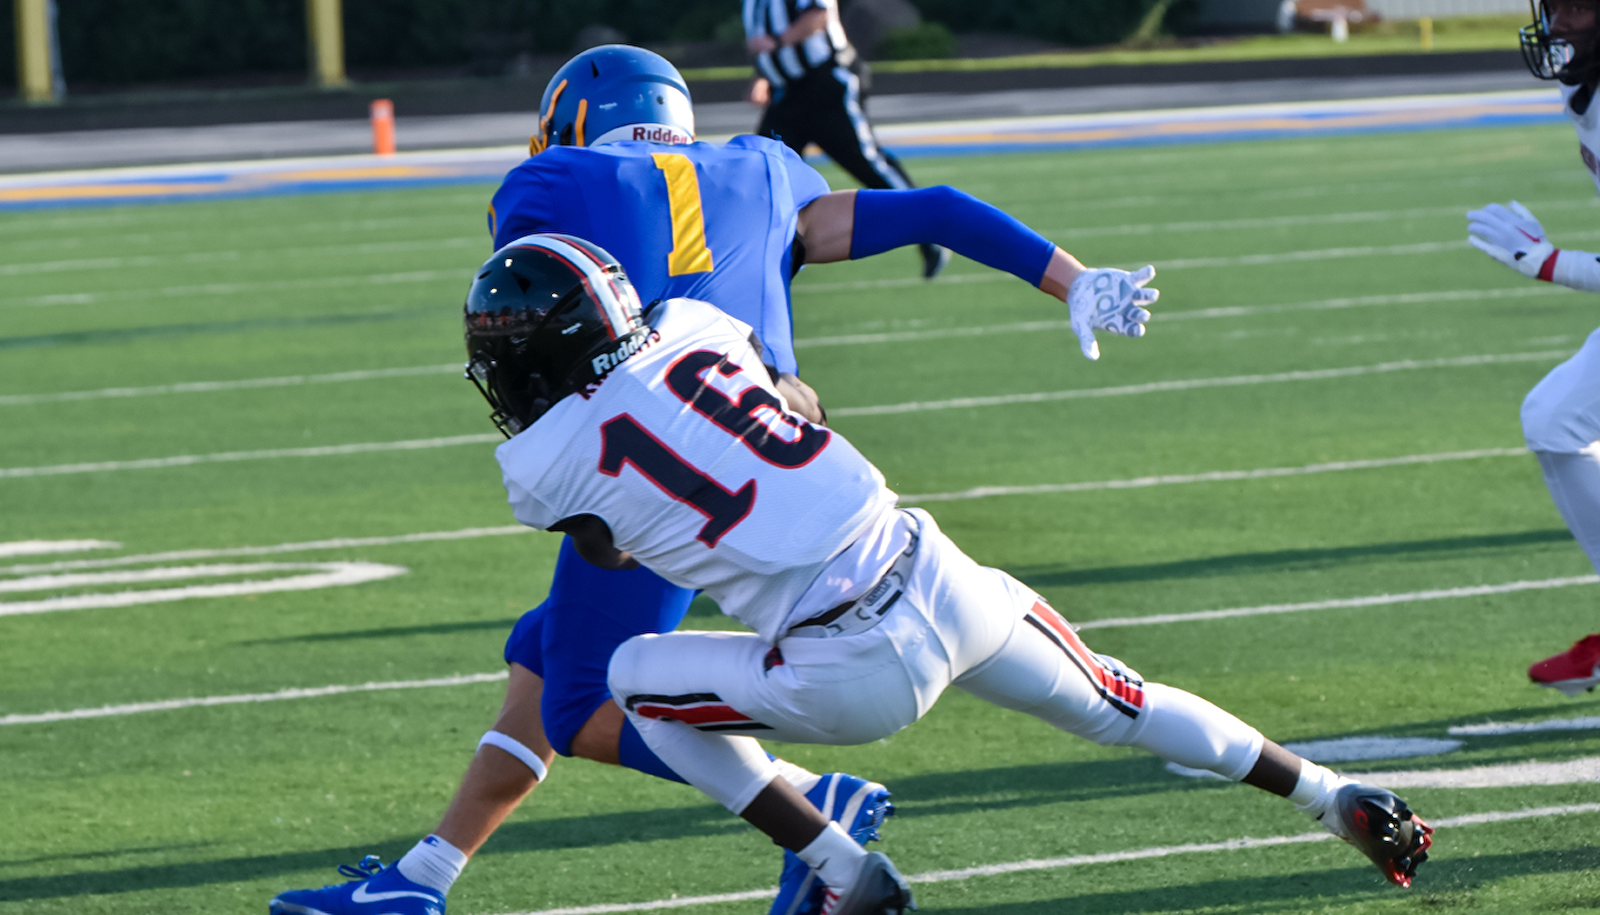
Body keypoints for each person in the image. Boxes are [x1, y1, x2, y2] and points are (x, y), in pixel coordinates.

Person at [270, 45, 1161, 915]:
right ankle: (423, 877)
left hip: (663, 482)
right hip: (780, 459)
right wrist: (1073, 280)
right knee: (542, 653)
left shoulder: (554, 182)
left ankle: (816, 805)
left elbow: (533, 320)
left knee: (580, 703)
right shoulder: (765, 167)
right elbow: (935, 208)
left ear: (574, 121)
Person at [465, 235, 1434, 914]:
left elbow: (606, 546)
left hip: (842, 664)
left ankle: (841, 867)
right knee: (1120, 699)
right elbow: (797, 397)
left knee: (630, 676)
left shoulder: (538, 465)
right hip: (936, 572)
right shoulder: (693, 322)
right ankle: (1330, 792)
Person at [1468, 0, 1600, 696]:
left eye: (1577, 5)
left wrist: (1553, 264)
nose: (1558, 24)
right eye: (1552, 5)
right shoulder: (1587, 92)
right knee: (1554, 418)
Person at [735, 0, 949, 281]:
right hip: (788, 94)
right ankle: (754, 260)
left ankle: (930, 228)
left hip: (827, 85)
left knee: (867, 163)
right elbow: (758, 36)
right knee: (762, 170)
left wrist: (779, 42)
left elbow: (818, 15)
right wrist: (764, 76)